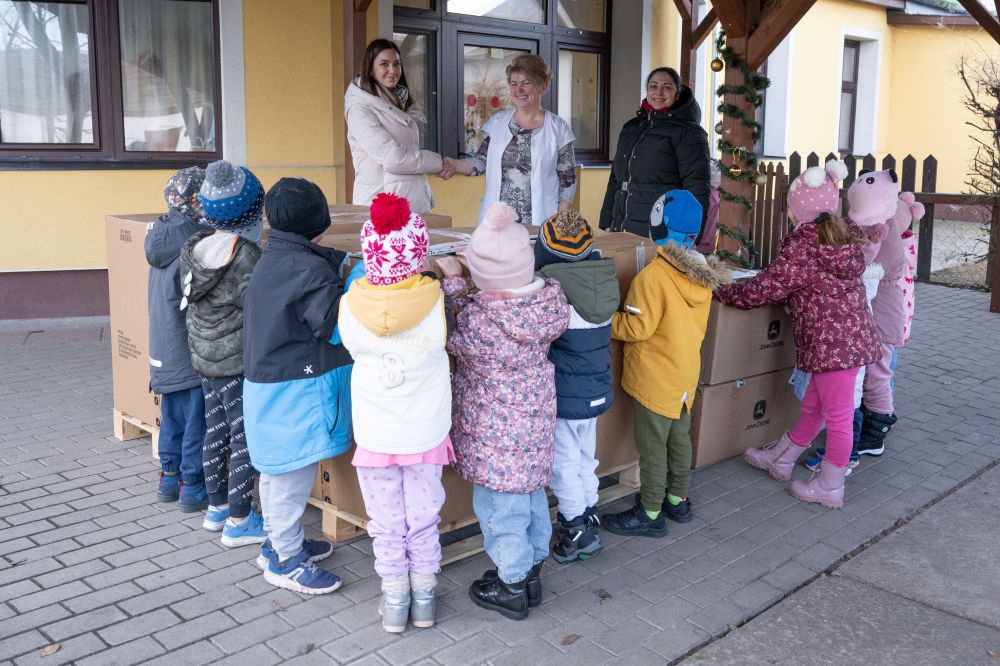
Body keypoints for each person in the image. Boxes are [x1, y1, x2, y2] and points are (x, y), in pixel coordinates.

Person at [713, 161, 883, 509]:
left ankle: (830, 486)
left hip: (832, 345)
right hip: (842, 341)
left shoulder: (804, 245)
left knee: (837, 417)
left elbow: (768, 286)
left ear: (797, 210)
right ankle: (782, 459)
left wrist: (722, 291)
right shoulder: (841, 235)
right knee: (816, 406)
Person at [437, 202, 569, 620]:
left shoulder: (480, 322)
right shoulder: (546, 304)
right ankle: (531, 571)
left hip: (496, 438)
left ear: (482, 276)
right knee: (530, 497)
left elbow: (455, 339)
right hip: (532, 429)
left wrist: (456, 282)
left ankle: (511, 584)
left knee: (500, 509)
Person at [338, 192, 453, 632]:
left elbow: (348, 345)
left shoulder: (351, 305)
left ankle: (394, 600)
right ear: (417, 254)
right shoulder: (434, 302)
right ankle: (424, 598)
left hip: (376, 433)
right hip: (424, 431)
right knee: (424, 516)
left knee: (385, 520)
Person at [242, 177, 354, 595]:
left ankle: (276, 544)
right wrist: (357, 285)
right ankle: (287, 561)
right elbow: (335, 326)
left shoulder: (274, 258)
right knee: (291, 477)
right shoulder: (307, 271)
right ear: (320, 223)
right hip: (296, 392)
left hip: (269, 385)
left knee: (277, 472)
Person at [602, 190, 730, 537]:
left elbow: (637, 328)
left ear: (657, 225)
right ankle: (678, 499)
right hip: (684, 375)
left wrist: (603, 320)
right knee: (679, 439)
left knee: (652, 448)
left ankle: (650, 511)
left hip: (655, 378)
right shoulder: (702, 276)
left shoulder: (653, 277)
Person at [180, 160, 264, 544]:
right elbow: (259, 306)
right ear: (252, 212)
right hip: (235, 362)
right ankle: (241, 519)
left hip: (204, 360)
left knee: (215, 429)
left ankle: (216, 509)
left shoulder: (195, 248)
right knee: (243, 436)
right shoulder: (246, 255)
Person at [533, 211, 619, 563]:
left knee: (564, 465)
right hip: (595, 392)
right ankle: (589, 511)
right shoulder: (604, 284)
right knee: (586, 457)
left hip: (566, 400)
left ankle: (574, 528)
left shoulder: (553, 297)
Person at [446, 54, 577, 227]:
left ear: (543, 86)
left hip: (541, 223)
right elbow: (481, 161)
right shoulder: (497, 123)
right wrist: (453, 165)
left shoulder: (558, 129)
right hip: (498, 222)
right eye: (514, 84)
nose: (519, 89)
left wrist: (562, 219)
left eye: (526, 83)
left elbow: (567, 179)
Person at [147, 167, 208, 511]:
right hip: (187, 349)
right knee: (194, 420)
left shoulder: (160, 238)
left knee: (171, 415)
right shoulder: (194, 245)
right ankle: (192, 485)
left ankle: (169, 478)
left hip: (163, 349)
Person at [599, 67, 711, 238]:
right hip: (621, 224)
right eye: (653, 86)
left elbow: (697, 187)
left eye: (667, 87)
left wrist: (689, 235)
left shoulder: (689, 132)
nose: (659, 92)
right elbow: (616, 178)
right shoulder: (631, 127)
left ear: (678, 93)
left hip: (661, 228)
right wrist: (607, 221)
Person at [345, 38, 447, 213]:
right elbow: (394, 159)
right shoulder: (359, 109)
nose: (392, 70)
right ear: (370, 69)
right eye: (384, 64)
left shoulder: (400, 102)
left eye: (397, 64)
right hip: (382, 207)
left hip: (407, 201)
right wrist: (440, 162)